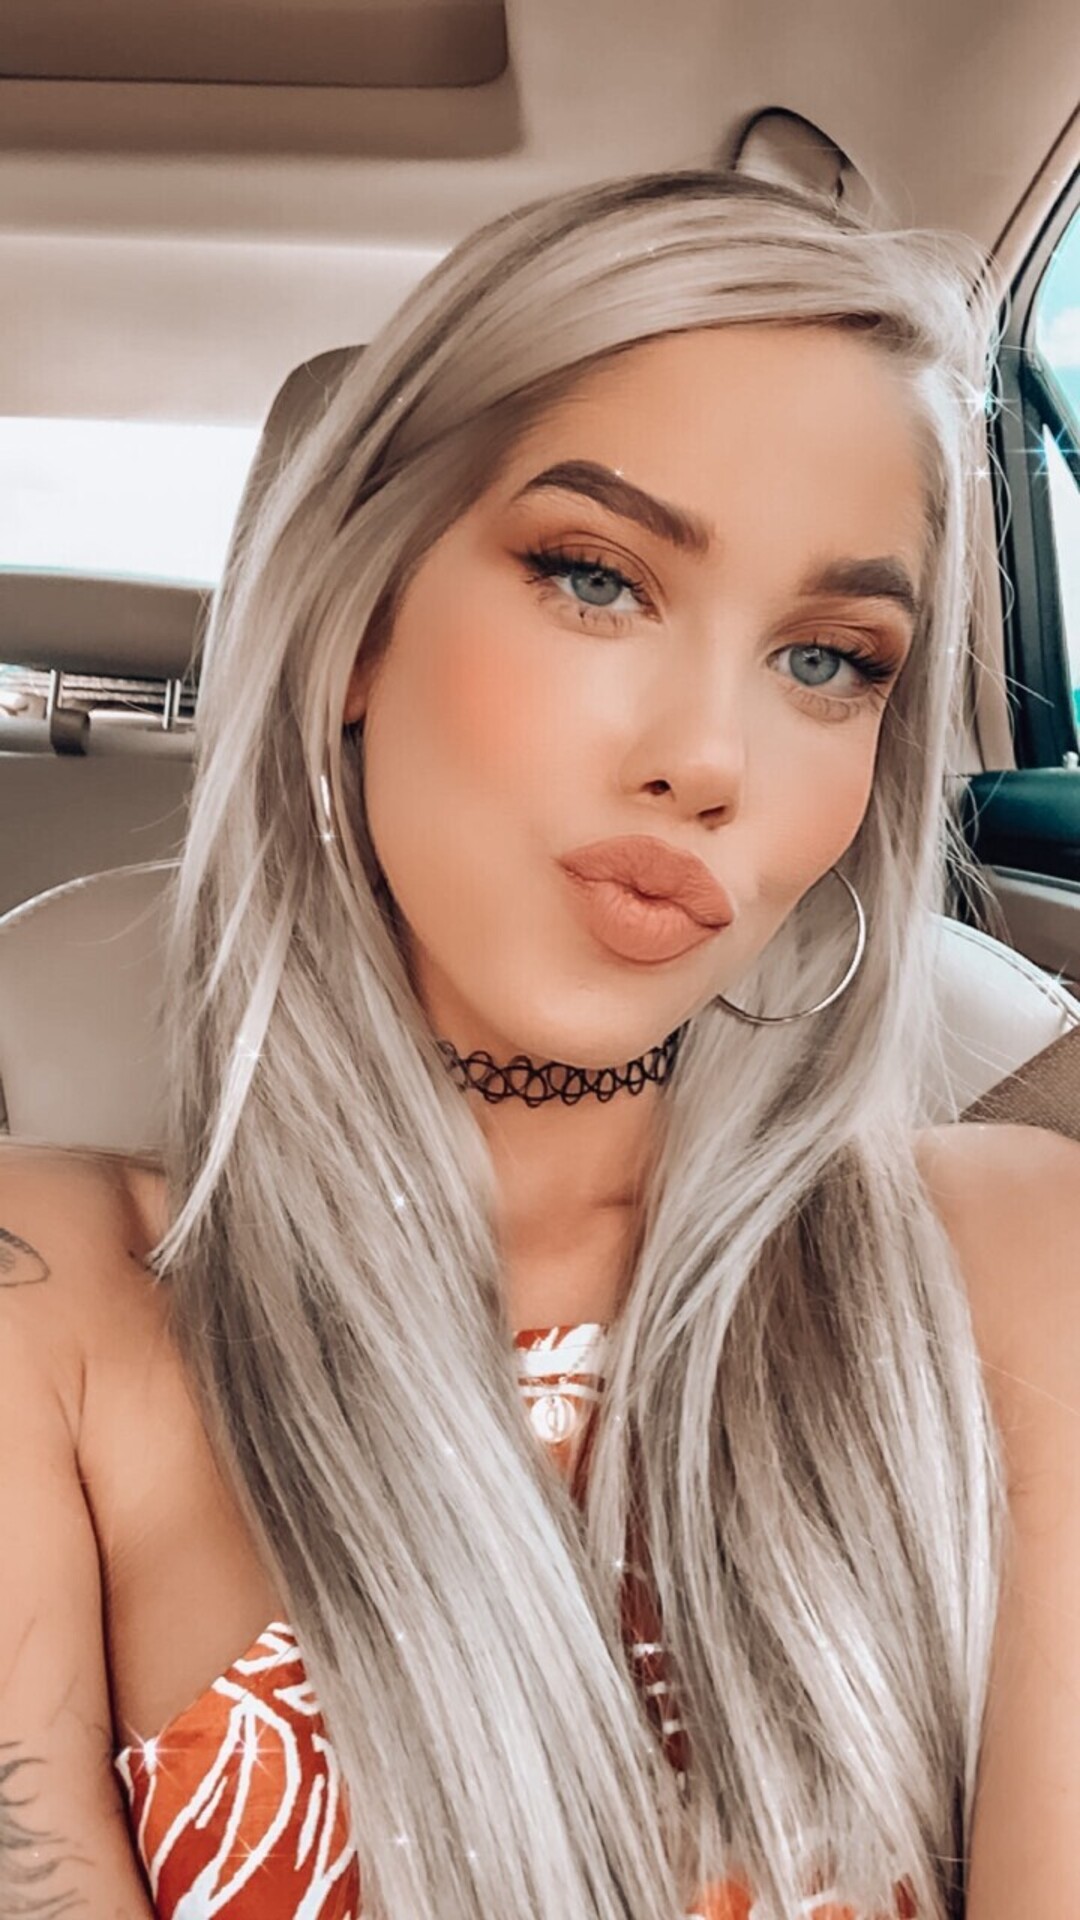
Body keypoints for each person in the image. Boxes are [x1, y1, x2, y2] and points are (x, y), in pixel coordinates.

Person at [2, 165, 1079, 1920]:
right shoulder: (48, 1303)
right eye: (595, 577)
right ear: (357, 622)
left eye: (829, 661)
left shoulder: (1015, 1259)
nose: (708, 758)